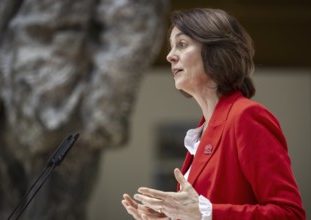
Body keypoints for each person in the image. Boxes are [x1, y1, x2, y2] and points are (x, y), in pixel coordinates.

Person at [121, 8, 305, 220]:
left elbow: (290, 214)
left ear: (215, 52)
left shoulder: (246, 116)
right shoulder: (203, 133)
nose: (169, 56)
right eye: (172, 47)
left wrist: (204, 213)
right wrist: (172, 217)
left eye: (181, 44)